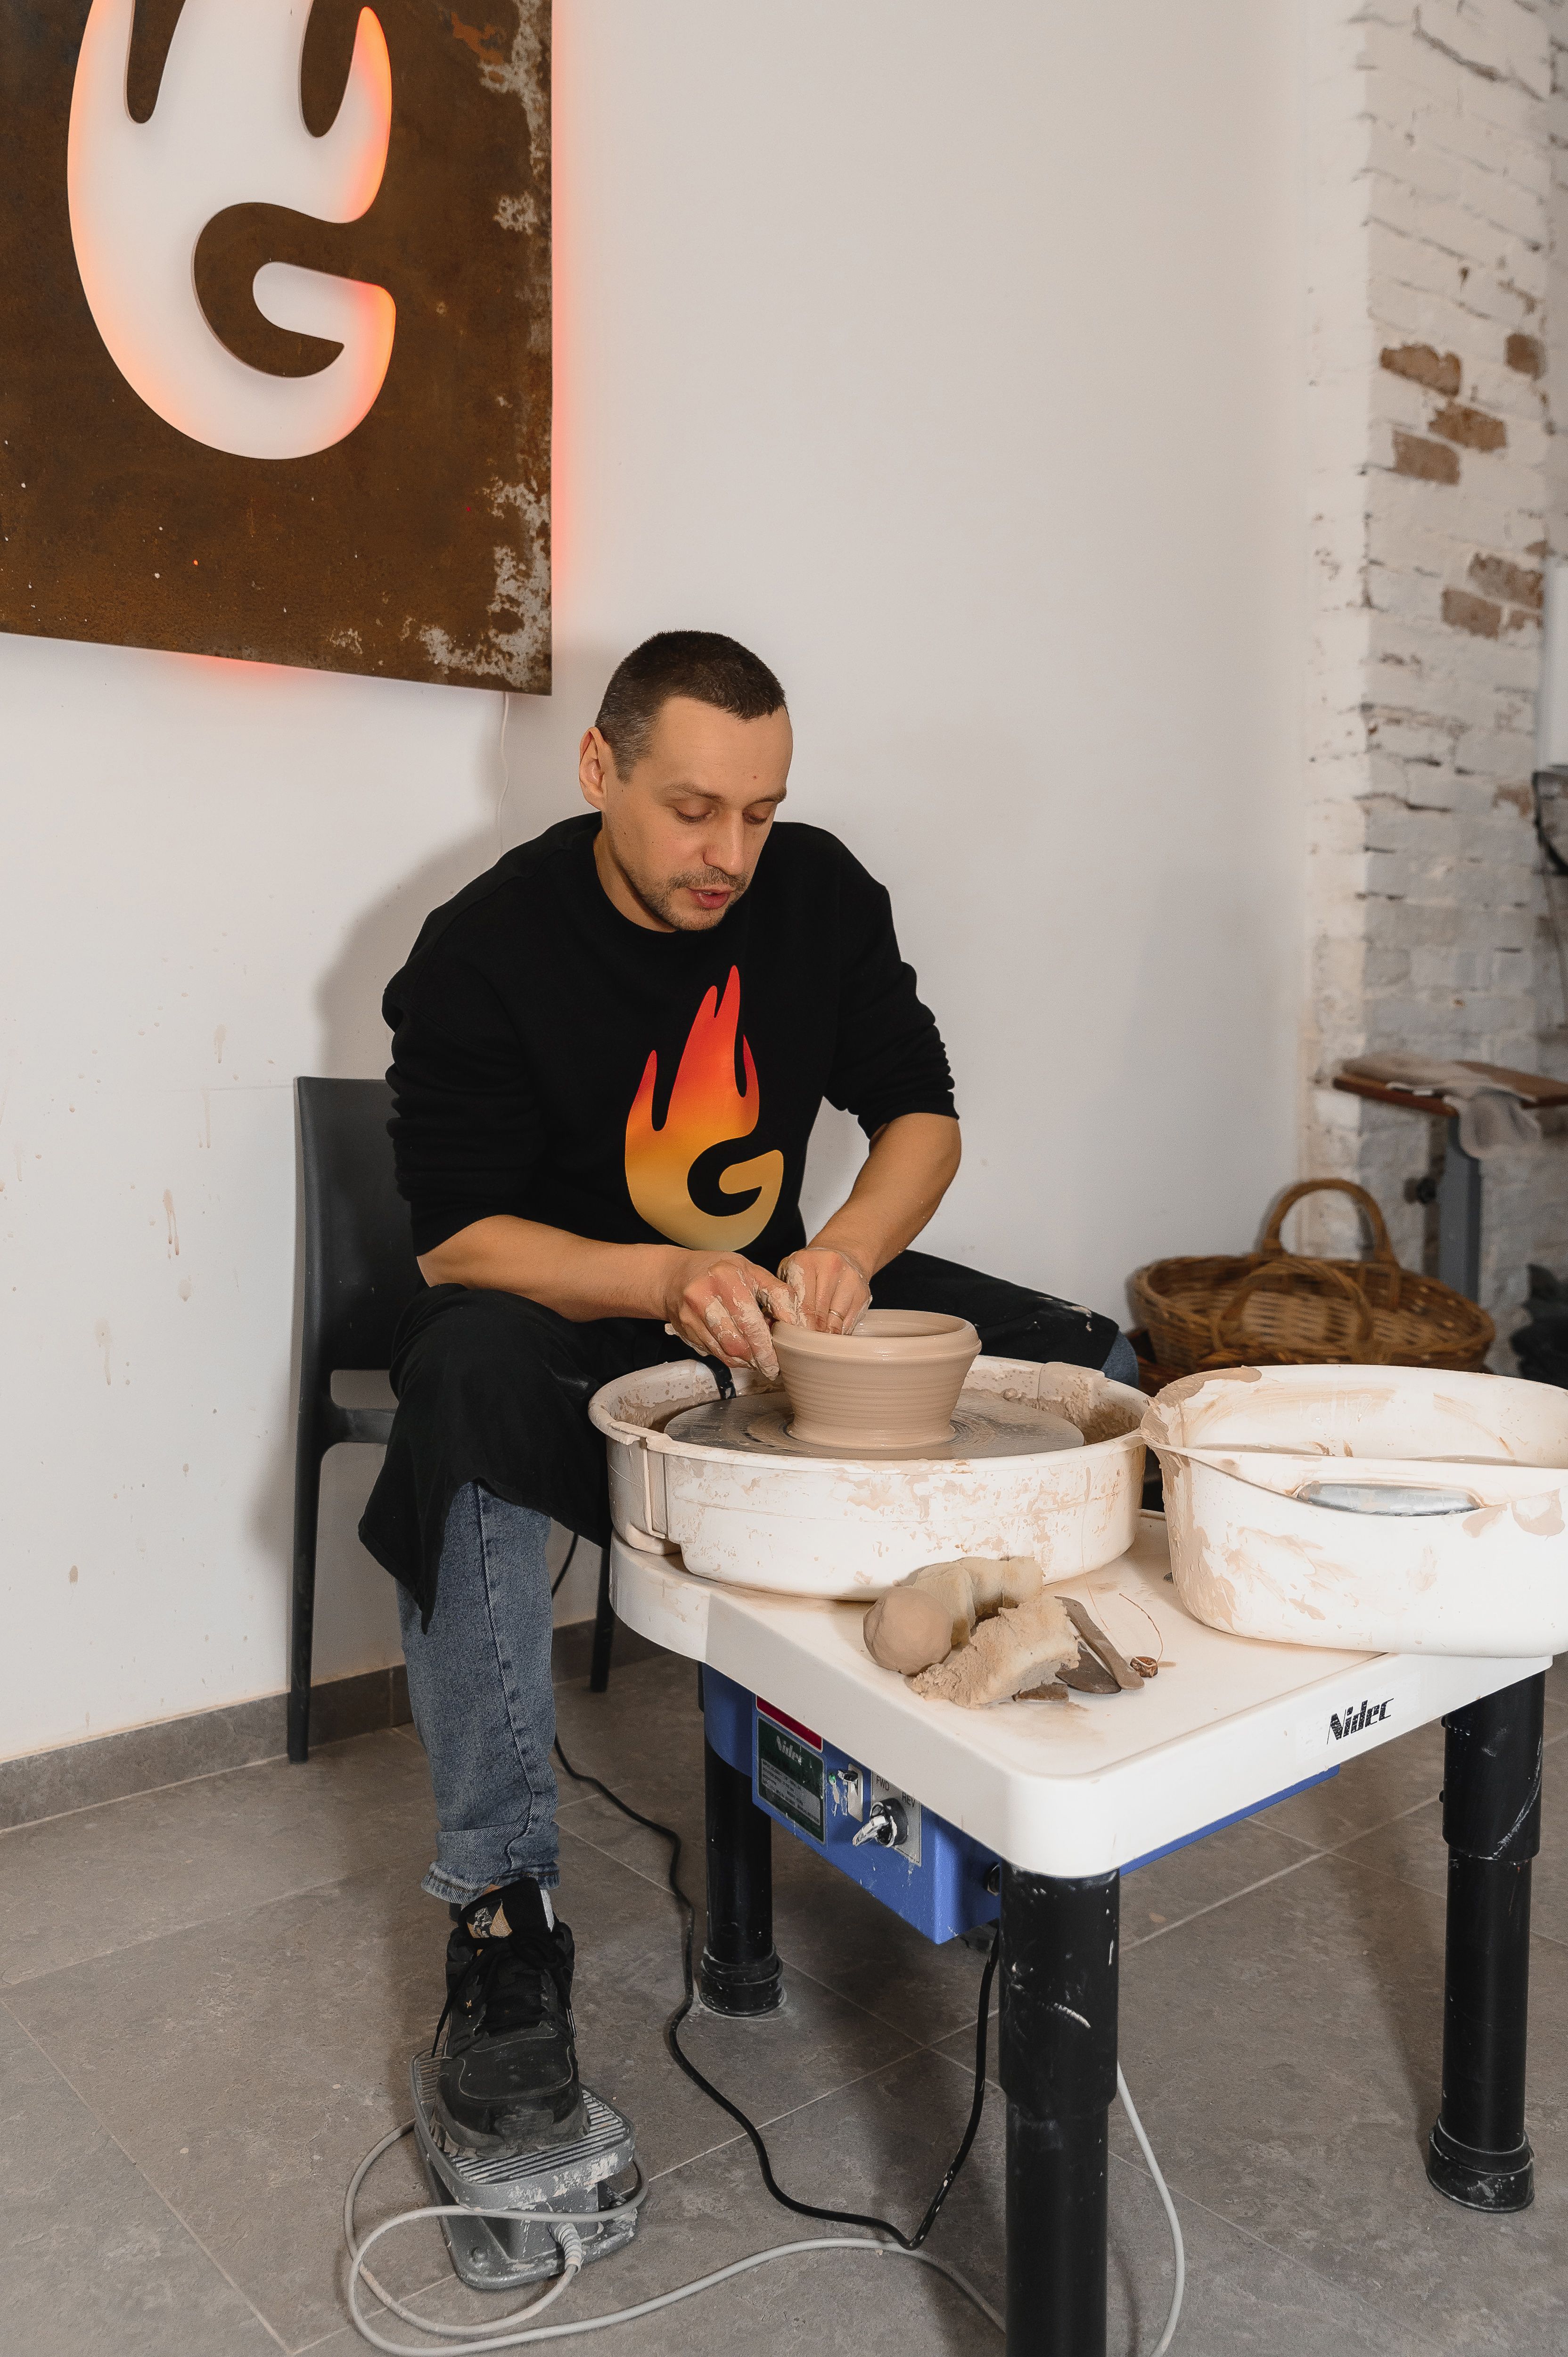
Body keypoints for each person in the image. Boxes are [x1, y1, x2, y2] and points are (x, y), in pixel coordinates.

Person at [360, 630, 1134, 2157]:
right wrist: (663, 1278)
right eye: (694, 810)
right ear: (600, 770)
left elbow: (920, 1114)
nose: (731, 854)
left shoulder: (819, 893)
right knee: (458, 1387)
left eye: (761, 813)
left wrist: (845, 1251)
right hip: (569, 1321)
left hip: (773, 1303)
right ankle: (504, 1919)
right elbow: (459, 1244)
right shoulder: (481, 950)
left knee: (1084, 1365)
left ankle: (1008, 1787)